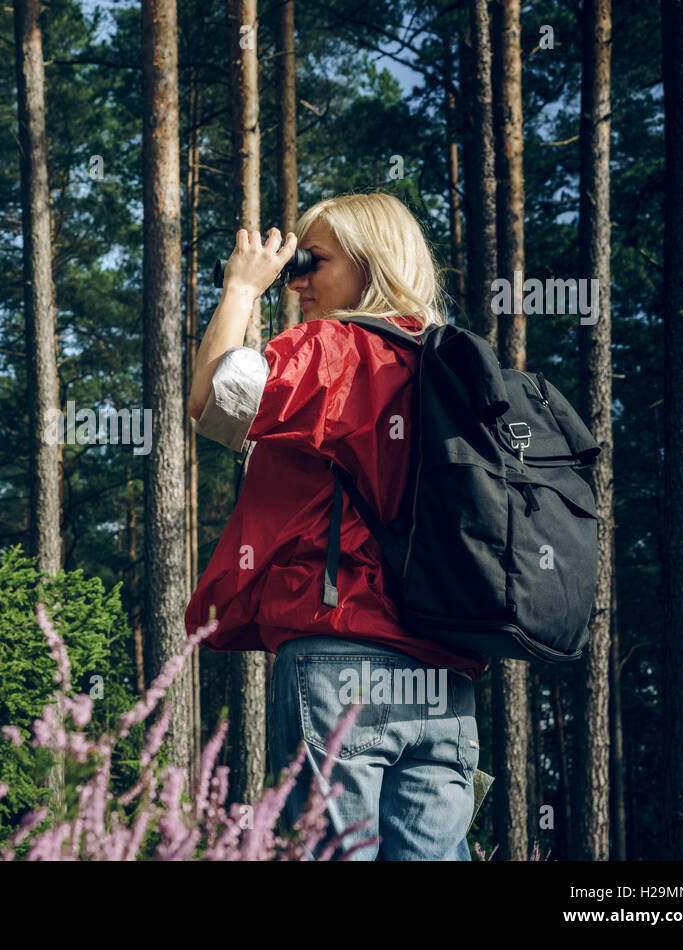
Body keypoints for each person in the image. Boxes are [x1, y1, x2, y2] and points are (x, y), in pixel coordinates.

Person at [185, 192, 487, 861]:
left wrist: (241, 289)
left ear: (369, 262)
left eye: (310, 262)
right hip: (445, 676)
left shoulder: (336, 347)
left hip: (341, 656)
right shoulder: (454, 365)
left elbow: (213, 402)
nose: (294, 285)